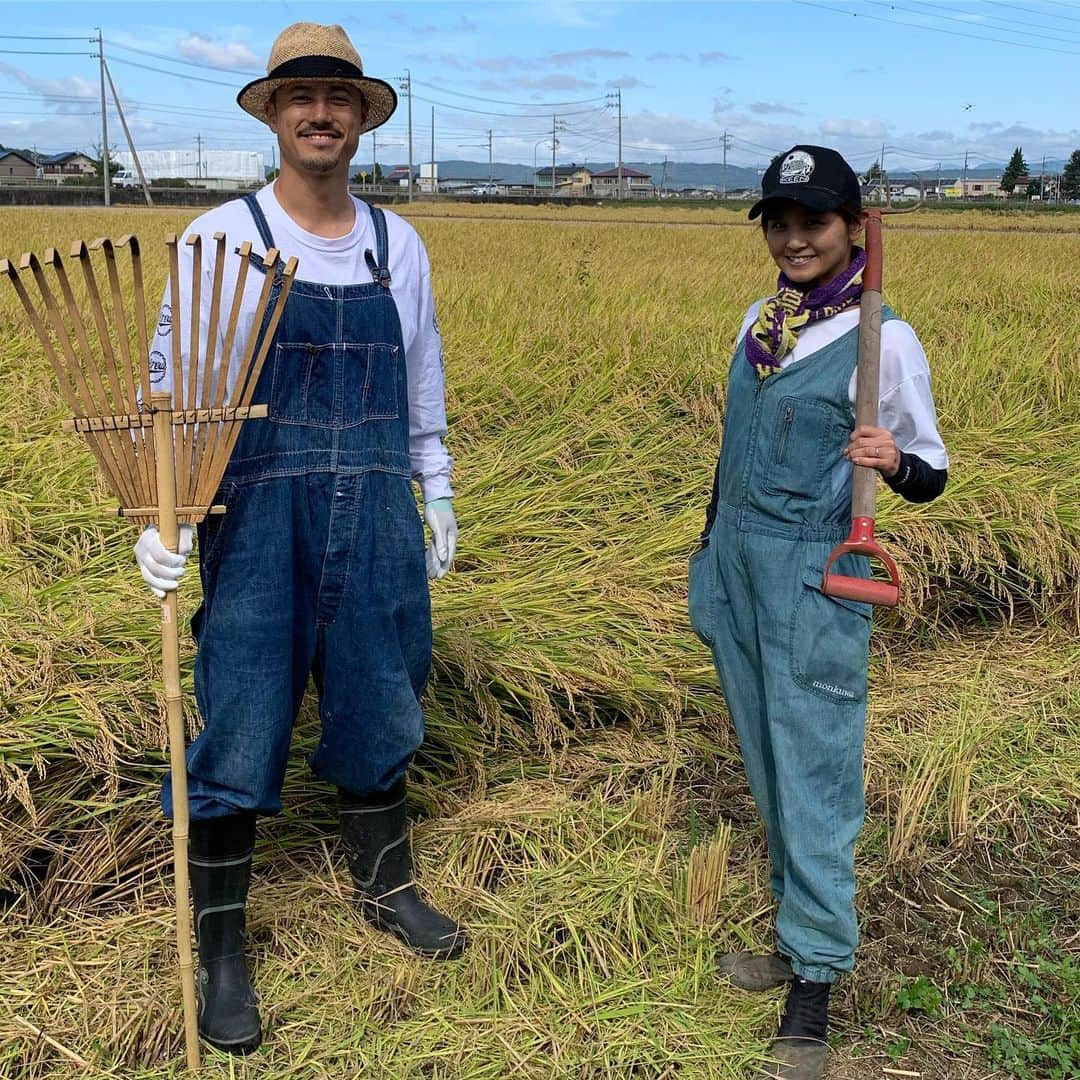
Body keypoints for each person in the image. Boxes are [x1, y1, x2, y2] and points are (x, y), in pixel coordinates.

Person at [133, 23, 464, 1054]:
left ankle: (387, 884)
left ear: (362, 115)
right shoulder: (218, 238)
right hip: (257, 512)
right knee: (238, 714)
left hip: (375, 510)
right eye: (300, 97)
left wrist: (438, 489)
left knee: (380, 692)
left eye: (339, 97)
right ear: (273, 114)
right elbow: (167, 395)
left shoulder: (392, 244)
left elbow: (420, 382)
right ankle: (221, 950)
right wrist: (162, 517)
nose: (320, 113)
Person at [688, 146, 948, 1080]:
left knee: (818, 778)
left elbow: (932, 471)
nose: (795, 238)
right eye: (781, 221)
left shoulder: (885, 339)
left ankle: (818, 985)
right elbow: (735, 450)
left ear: (852, 231)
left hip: (813, 583)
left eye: (816, 223)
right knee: (766, 761)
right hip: (736, 572)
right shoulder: (761, 323)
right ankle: (796, 942)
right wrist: (708, 555)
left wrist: (893, 463)